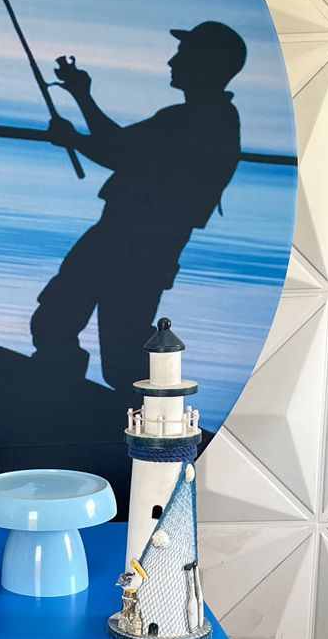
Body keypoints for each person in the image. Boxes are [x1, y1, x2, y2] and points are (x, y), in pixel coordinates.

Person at [30, 21, 245, 392]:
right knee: (75, 330)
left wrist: (76, 133)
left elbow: (119, 151)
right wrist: (81, 100)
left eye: (183, 54)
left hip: (131, 244)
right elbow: (120, 147)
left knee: (87, 338)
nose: (172, 62)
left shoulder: (196, 120)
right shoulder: (209, 119)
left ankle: (63, 398)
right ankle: (65, 396)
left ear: (204, 64)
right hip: (134, 243)